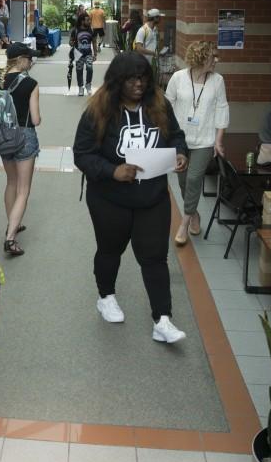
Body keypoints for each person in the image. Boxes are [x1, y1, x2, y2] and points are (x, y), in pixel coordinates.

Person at [73, 51, 189, 344]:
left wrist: (180, 153)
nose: (139, 84)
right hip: (110, 198)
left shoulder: (158, 105)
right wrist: (112, 171)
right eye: (132, 79)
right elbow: (82, 154)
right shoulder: (98, 112)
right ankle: (106, 296)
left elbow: (176, 135)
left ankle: (162, 319)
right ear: (117, 81)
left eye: (143, 78)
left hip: (152, 197)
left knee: (154, 258)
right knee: (110, 251)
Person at [165, 41, 229, 245]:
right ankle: (194, 215)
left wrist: (218, 141)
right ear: (201, 59)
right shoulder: (178, 78)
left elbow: (222, 108)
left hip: (205, 140)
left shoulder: (218, 80)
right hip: (180, 140)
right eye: (213, 57)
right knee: (183, 182)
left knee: (193, 179)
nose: (216, 60)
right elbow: (167, 106)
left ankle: (183, 224)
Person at [0, 42, 41, 257]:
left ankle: (11, 223)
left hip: (3, 136)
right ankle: (10, 238)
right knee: (24, 190)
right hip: (24, 136)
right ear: (21, 60)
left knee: (11, 182)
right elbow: (36, 119)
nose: (31, 61)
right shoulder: (31, 84)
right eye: (29, 58)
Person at [70, 12, 96, 97]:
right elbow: (71, 41)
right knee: (79, 70)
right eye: (87, 20)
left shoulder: (91, 29)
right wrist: (71, 43)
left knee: (90, 69)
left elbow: (94, 42)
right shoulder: (75, 30)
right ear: (82, 21)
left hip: (88, 53)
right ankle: (80, 87)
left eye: (89, 20)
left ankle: (88, 85)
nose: (89, 21)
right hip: (79, 54)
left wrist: (95, 54)